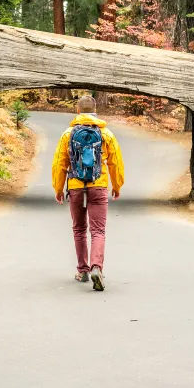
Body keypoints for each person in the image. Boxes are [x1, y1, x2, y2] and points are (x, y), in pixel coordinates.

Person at [51, 95, 124, 291]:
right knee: (98, 231)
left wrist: (58, 188)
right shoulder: (105, 134)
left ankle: (82, 270)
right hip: (98, 186)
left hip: (75, 185)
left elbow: (60, 163)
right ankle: (96, 268)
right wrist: (117, 185)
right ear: (95, 111)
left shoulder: (68, 134)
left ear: (77, 111)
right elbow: (115, 162)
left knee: (79, 229)